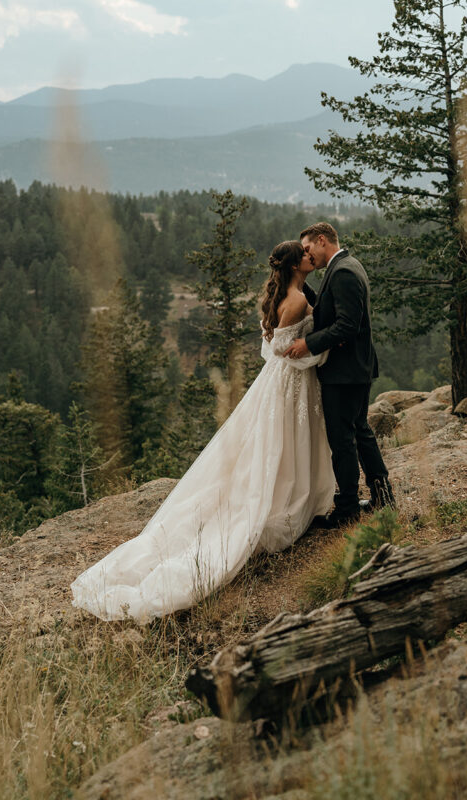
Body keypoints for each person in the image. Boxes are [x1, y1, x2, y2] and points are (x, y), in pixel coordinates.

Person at [70, 240, 335, 622]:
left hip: (286, 381)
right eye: (306, 255)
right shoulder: (294, 300)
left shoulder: (294, 293)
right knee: (282, 443)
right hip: (289, 381)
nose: (312, 257)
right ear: (296, 265)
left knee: (283, 443)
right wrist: (318, 352)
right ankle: (284, 503)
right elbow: (280, 349)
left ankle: (292, 495)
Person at [283, 221, 394, 526]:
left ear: (322, 240)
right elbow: (330, 309)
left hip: (344, 372)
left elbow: (347, 324)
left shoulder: (343, 271)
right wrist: (297, 281)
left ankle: (346, 509)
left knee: (343, 440)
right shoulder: (347, 264)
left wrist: (309, 343)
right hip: (355, 368)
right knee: (360, 431)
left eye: (307, 249)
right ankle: (383, 497)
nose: (307, 255)